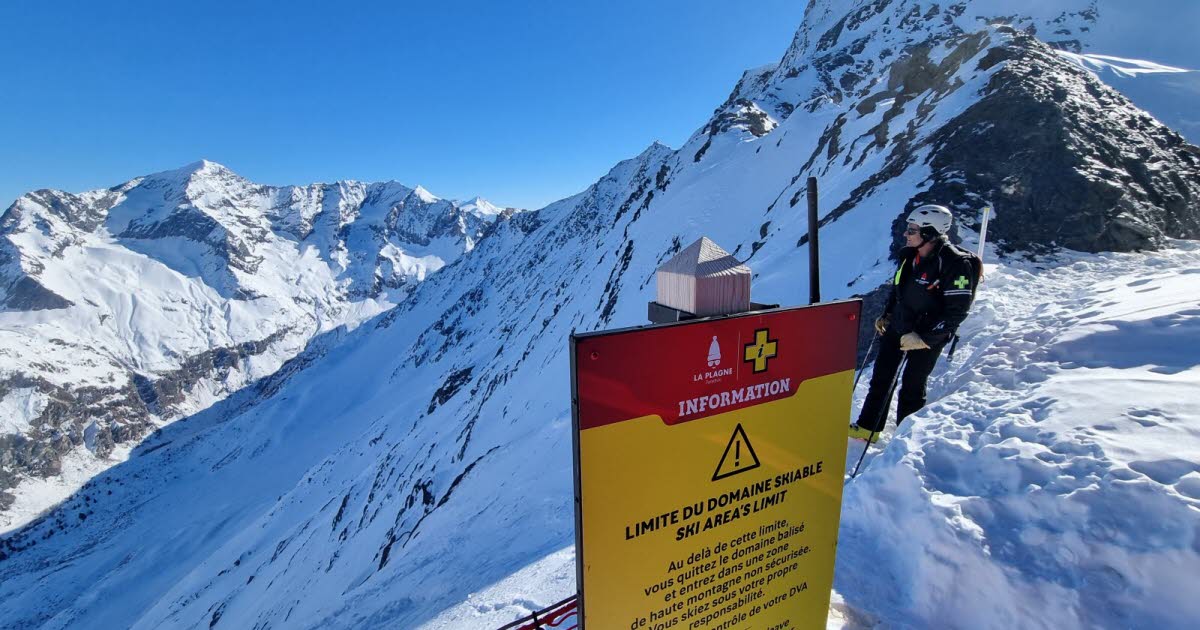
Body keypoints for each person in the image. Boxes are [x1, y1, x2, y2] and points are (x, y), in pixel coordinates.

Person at [849, 205, 978, 442]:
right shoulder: (909, 257)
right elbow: (900, 290)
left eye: (912, 230)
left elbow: (957, 310)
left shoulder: (956, 264)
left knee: (912, 386)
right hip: (899, 325)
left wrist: (924, 338)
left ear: (929, 233)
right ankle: (868, 428)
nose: (906, 234)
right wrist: (887, 314)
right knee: (881, 377)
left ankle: (905, 438)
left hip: (927, 335)